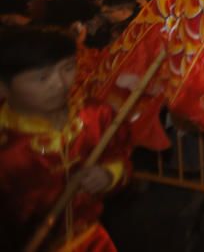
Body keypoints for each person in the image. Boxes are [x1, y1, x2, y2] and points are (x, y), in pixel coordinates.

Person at [1, 27, 131, 251]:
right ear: (3, 87)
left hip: (94, 241)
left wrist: (110, 174)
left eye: (68, 68)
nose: (60, 84)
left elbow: (120, 155)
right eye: (42, 78)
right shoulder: (7, 147)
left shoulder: (95, 115)